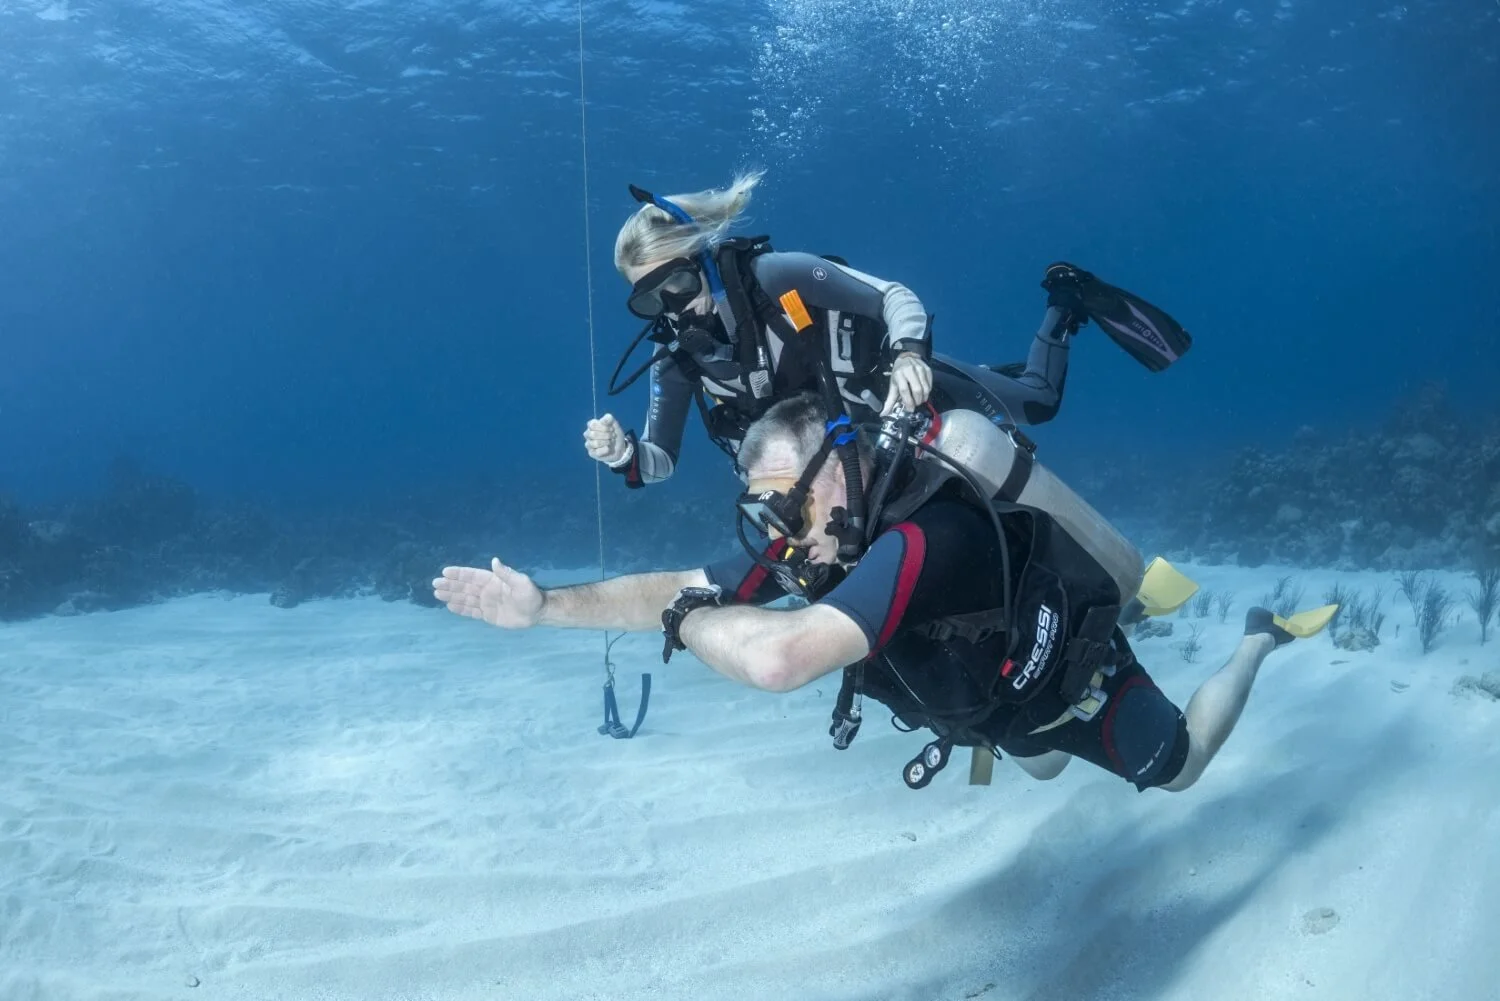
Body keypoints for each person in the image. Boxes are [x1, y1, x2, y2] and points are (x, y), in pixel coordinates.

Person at [439, 393, 1331, 792]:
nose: (782, 530)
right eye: (764, 510)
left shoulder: (921, 539)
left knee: (1180, 766)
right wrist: (546, 606)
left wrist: (687, 618)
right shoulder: (812, 543)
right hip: (995, 714)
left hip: (1072, 681)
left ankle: (1256, 635)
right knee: (1044, 763)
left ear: (847, 465)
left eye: (790, 501)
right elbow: (672, 583)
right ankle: (1020, 738)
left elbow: (780, 656)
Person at [583, 170, 1192, 495]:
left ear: (708, 260)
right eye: (648, 300)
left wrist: (907, 357)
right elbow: (659, 463)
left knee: (1039, 404)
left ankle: (1064, 302)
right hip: (857, 463)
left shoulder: (780, 275)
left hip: (904, 394)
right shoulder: (677, 363)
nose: (673, 310)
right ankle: (987, 373)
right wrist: (625, 455)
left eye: (678, 286)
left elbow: (894, 297)